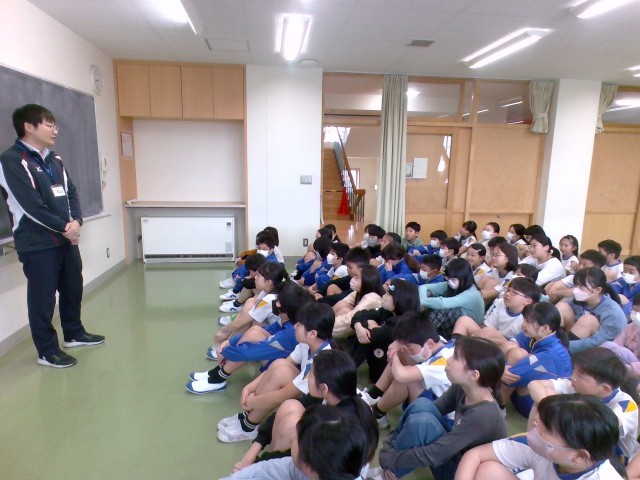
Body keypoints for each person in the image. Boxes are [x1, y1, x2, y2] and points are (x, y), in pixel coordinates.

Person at [0, 104, 104, 368]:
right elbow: (30, 206)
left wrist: (77, 221)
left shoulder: (54, 159)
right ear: (29, 126)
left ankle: (74, 333)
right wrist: (67, 228)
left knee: (72, 288)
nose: (55, 130)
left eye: (54, 125)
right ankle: (47, 351)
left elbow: (72, 193)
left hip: (65, 239)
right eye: (49, 125)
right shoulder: (12, 160)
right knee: (43, 299)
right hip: (37, 243)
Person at [378, 336, 507, 480]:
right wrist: (388, 450)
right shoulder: (463, 388)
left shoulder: (484, 415)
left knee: (424, 422)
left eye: (456, 357)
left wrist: (390, 459)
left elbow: (437, 453)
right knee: (422, 405)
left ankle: (388, 472)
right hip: (456, 456)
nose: (448, 360)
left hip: (465, 473)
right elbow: (427, 409)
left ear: (473, 375)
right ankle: (389, 470)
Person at [231, 350, 379, 475]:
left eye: (311, 374)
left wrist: (256, 465)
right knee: (290, 405)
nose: (307, 377)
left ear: (324, 388)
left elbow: (304, 454)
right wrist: (252, 453)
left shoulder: (340, 422)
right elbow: (277, 418)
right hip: (323, 461)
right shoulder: (337, 393)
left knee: (291, 424)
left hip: (332, 471)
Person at [217, 302, 335, 443]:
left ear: (312, 334)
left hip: (318, 409)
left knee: (282, 372)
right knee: (280, 365)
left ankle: (248, 425)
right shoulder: (306, 344)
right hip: (304, 393)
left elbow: (282, 396)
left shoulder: (320, 361)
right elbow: (278, 366)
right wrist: (250, 387)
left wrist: (252, 401)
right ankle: (247, 416)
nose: (294, 327)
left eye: (299, 324)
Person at [456, 394, 625, 480]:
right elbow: (475, 455)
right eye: (541, 419)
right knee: (489, 470)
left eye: (547, 428)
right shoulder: (539, 447)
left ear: (580, 456)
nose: (536, 425)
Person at [186, 282, 314, 394]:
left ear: (287, 309)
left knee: (253, 338)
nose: (276, 303)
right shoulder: (289, 320)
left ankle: (218, 377)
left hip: (288, 373)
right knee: (255, 331)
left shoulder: (291, 332)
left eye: (279, 301)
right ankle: (218, 373)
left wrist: (225, 351)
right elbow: (265, 331)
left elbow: (250, 352)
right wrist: (229, 342)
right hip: (282, 358)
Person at [528, 347, 640, 462]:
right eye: (574, 370)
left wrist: (556, 412)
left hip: (612, 457)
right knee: (543, 400)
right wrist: (551, 408)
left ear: (604, 389)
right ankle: (535, 446)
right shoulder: (575, 386)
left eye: (580, 376)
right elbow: (535, 385)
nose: (573, 377)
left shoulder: (626, 405)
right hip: (574, 442)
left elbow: (599, 429)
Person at [221, 404, 370, 480]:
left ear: (308, 466)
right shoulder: (325, 466)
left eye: (296, 438)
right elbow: (269, 468)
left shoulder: (310, 468)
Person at [364, 313, 455, 429]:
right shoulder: (438, 342)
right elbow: (405, 347)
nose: (409, 351)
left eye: (411, 348)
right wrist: (398, 346)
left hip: (444, 419)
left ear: (430, 343)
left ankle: (377, 413)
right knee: (403, 355)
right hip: (436, 399)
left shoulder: (442, 363)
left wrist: (394, 356)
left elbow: (401, 375)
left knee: (406, 379)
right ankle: (373, 395)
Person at [499, 302, 572, 417]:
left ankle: (499, 406)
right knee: (510, 349)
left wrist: (500, 369)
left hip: (539, 405)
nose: (523, 324)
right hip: (531, 390)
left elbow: (510, 375)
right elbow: (510, 345)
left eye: (528, 321)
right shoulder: (541, 335)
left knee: (517, 356)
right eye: (524, 320)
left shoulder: (550, 354)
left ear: (546, 328)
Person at [350, 279, 420, 382]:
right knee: (364, 332)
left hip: (387, 373)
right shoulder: (388, 312)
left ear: (400, 299)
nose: (384, 296)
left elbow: (371, 335)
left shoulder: (404, 323)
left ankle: (347, 371)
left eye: (388, 294)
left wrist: (367, 325)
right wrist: (358, 326)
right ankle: (348, 368)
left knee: (365, 339)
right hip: (378, 360)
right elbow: (361, 314)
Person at [556, 267, 627, 353]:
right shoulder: (577, 300)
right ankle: (551, 344)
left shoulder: (613, 313)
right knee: (562, 307)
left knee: (588, 320)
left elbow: (598, 342)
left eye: (581, 286)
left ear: (597, 290)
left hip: (598, 351)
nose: (576, 290)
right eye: (576, 285)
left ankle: (561, 352)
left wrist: (563, 347)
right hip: (573, 339)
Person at [453, 277, 540, 342]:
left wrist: (491, 334)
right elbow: (487, 326)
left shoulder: (528, 319)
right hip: (491, 337)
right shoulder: (500, 303)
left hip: (507, 347)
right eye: (508, 290)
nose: (508, 294)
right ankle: (452, 347)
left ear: (527, 301)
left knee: (488, 332)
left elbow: (518, 345)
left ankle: (463, 351)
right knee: (464, 320)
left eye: (514, 293)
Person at [419, 258, 485, 339]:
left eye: (453, 279)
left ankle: (422, 335)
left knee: (442, 307)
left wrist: (422, 301)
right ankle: (418, 324)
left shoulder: (472, 293)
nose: (450, 282)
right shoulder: (453, 284)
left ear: (464, 278)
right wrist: (422, 299)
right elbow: (424, 287)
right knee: (429, 294)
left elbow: (443, 303)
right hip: (452, 321)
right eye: (448, 278)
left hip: (465, 330)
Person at [332, 264, 384, 338]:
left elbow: (350, 319)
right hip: (357, 323)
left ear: (367, 280)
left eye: (356, 277)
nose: (353, 279)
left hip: (367, 329)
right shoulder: (359, 292)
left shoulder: (372, 298)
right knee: (342, 306)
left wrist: (327, 326)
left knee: (344, 311)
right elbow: (343, 302)